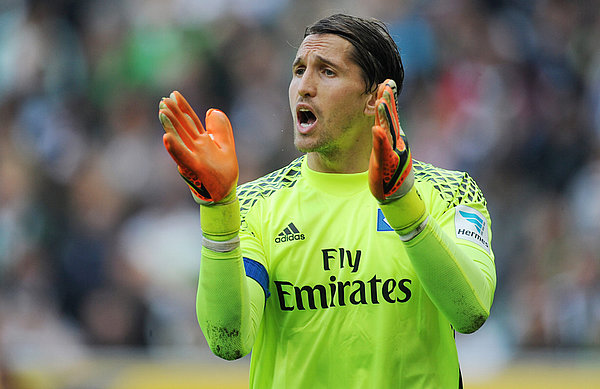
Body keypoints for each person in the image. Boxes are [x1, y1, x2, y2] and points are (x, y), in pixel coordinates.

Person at [158, 13, 496, 389]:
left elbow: (471, 311)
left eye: (327, 72)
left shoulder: (449, 191)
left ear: (375, 98)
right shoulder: (256, 204)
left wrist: (403, 204)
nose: (303, 86)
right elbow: (230, 341)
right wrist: (218, 210)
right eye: (299, 70)